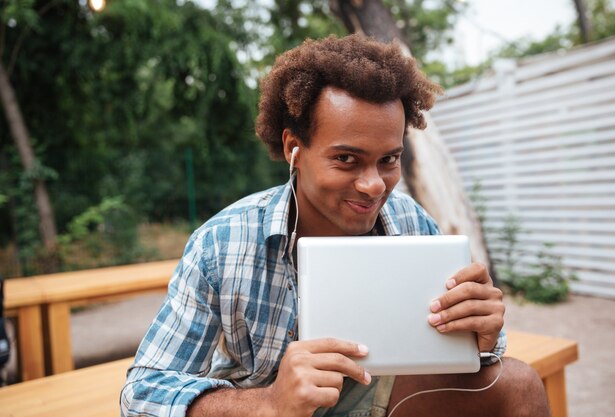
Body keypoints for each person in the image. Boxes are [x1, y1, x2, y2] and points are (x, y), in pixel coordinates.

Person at [121, 34, 549, 417]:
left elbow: (462, 354)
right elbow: (143, 393)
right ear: (294, 148)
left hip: (383, 396)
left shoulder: (411, 221)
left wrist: (482, 336)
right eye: (346, 159)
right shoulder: (222, 243)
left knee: (519, 384)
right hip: (269, 409)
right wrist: (269, 404)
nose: (372, 185)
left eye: (389, 159)